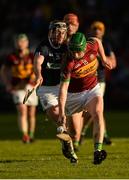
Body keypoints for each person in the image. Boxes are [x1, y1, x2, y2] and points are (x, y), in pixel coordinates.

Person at [58, 32, 114, 164]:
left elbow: (97, 41)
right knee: (75, 133)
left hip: (92, 89)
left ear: (84, 47)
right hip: (73, 96)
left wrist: (104, 59)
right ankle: (67, 146)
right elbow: (63, 89)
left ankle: (97, 151)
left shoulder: (91, 45)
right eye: (73, 51)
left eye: (78, 52)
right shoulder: (68, 63)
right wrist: (61, 112)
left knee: (98, 114)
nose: (75, 55)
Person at [33, 20, 78, 163]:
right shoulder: (44, 46)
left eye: (62, 32)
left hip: (63, 85)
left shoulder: (67, 47)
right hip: (46, 87)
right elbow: (37, 63)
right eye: (57, 32)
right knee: (56, 115)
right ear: (50, 32)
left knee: (74, 129)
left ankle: (68, 141)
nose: (59, 35)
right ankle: (68, 146)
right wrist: (38, 75)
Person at [80, 21, 117, 145]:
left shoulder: (106, 45)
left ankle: (88, 132)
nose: (97, 31)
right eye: (95, 28)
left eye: (99, 29)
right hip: (86, 79)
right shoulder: (86, 43)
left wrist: (102, 57)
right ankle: (84, 132)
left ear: (103, 31)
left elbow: (113, 62)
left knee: (96, 110)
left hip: (99, 80)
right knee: (91, 111)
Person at [1, 34, 38, 143]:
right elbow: (3, 71)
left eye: (22, 41)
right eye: (18, 42)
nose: (20, 44)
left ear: (27, 43)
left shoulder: (32, 56)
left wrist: (35, 76)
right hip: (17, 87)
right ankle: (25, 135)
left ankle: (31, 134)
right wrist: (7, 84)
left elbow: (38, 68)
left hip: (30, 87)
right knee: (22, 110)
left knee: (31, 112)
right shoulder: (11, 57)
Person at [63, 13, 83, 151]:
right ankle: (68, 144)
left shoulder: (81, 40)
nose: (70, 27)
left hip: (77, 86)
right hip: (61, 84)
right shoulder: (58, 40)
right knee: (62, 118)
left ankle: (74, 140)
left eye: (73, 24)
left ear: (77, 26)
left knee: (74, 128)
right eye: (67, 24)